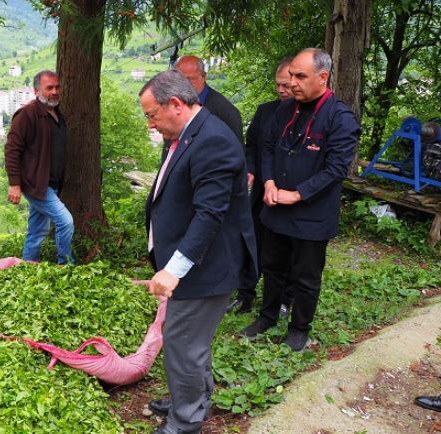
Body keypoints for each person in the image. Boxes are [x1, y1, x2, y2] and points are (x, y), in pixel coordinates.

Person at [140, 70, 257, 434]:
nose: (151, 123)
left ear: (175, 104)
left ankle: (185, 421)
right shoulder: (189, 133)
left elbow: (210, 215)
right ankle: (191, 399)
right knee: (191, 341)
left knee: (182, 343)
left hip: (205, 267)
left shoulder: (213, 141)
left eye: (151, 114)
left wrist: (174, 269)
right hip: (193, 263)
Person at [240, 48, 360, 352]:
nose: (292, 82)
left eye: (300, 76)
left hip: (312, 214)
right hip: (275, 207)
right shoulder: (284, 110)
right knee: (272, 266)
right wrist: (268, 181)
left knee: (306, 277)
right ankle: (267, 317)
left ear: (322, 77)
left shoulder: (340, 118)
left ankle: (299, 329)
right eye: (290, 75)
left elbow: (336, 169)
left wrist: (298, 193)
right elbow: (267, 147)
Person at [227, 58, 295, 315]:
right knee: (252, 242)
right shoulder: (265, 111)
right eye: (278, 85)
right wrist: (251, 170)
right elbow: (252, 146)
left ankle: (283, 300)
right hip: (260, 194)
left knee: (286, 250)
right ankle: (245, 295)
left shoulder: (306, 116)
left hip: (288, 196)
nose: (281, 90)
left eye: (286, 85)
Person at [4, 70, 74, 264]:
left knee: (37, 230)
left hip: (52, 184)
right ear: (36, 91)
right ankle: (66, 266)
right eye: (49, 88)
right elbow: (12, 150)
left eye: (57, 87)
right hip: (36, 184)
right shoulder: (27, 115)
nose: (54, 91)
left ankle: (27, 268)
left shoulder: (57, 114)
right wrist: (14, 184)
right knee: (65, 221)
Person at [174, 55, 243, 143]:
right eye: (179, 80)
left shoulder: (226, 112)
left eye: (189, 79)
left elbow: (236, 153)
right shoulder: (175, 105)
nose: (183, 84)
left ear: (204, 77)